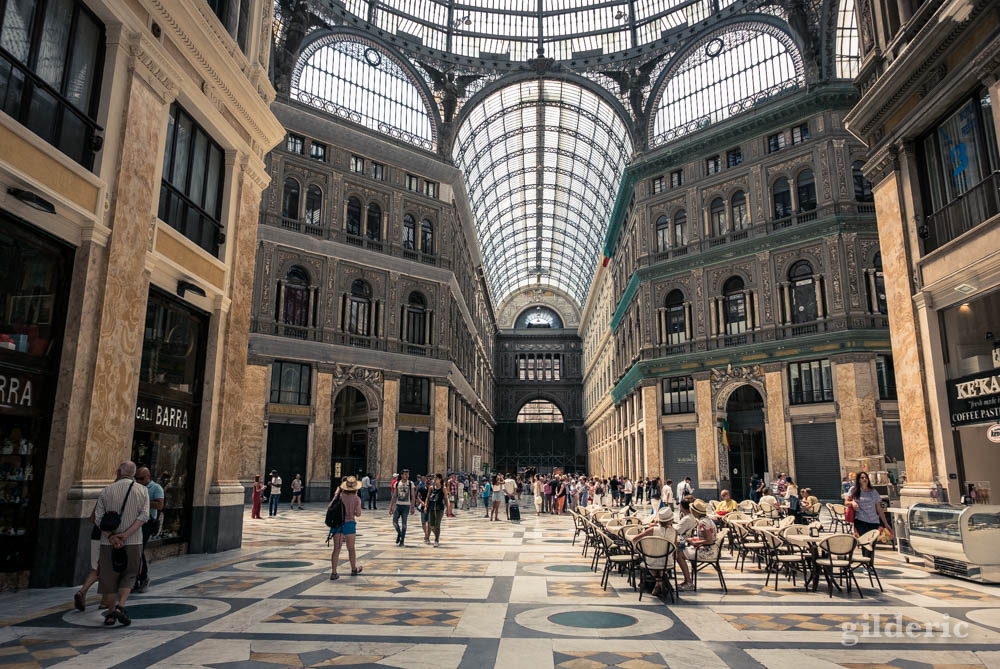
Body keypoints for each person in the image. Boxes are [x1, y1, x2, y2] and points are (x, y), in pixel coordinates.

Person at [94, 461, 150, 626]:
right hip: (133, 541)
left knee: (109, 578)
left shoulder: (107, 490)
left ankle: (110, 614)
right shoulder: (142, 490)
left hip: (108, 543)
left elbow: (97, 518)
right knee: (130, 574)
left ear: (118, 472)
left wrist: (111, 536)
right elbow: (144, 516)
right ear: (133, 473)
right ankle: (121, 606)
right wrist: (125, 535)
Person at [631, 506, 694, 594]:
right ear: (671, 520)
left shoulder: (652, 530)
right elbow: (674, 549)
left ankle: (658, 582)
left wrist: (636, 548)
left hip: (651, 561)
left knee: (651, 560)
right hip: (668, 562)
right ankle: (659, 583)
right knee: (663, 558)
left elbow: (635, 539)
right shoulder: (674, 532)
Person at [133, 466, 163, 593]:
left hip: (147, 523)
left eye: (141, 478)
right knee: (134, 549)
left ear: (148, 477)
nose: (138, 481)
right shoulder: (135, 487)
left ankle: (143, 577)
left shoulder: (156, 488)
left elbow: (160, 504)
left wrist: (144, 501)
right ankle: (133, 580)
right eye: (136, 478)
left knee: (139, 549)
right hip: (135, 522)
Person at [327, 475, 363, 580]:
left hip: (337, 524)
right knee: (351, 548)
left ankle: (334, 572)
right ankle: (353, 569)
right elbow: (358, 514)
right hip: (349, 525)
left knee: (336, 549)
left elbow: (330, 507)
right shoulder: (357, 499)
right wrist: (352, 511)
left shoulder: (339, 496)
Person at [848, 471, 889, 555]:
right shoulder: (853, 490)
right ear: (858, 480)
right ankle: (866, 562)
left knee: (872, 544)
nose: (864, 479)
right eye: (862, 478)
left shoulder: (873, 492)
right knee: (865, 542)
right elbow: (845, 502)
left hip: (873, 521)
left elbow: (879, 509)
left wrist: (885, 523)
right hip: (860, 521)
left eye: (866, 477)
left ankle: (870, 563)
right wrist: (852, 503)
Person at [390, 469, 416, 546]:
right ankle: (399, 533)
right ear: (401, 475)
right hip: (398, 505)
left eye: (407, 474)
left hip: (406, 506)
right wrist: (391, 507)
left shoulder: (411, 483)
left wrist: (412, 507)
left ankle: (402, 540)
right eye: (405, 474)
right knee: (394, 522)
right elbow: (394, 496)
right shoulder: (397, 483)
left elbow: (413, 496)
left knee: (404, 524)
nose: (406, 476)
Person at [426, 473, 452, 546]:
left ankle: (436, 540)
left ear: (440, 479)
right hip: (431, 507)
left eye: (436, 478)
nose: (434, 480)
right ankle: (437, 534)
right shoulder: (431, 487)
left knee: (437, 524)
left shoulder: (443, 488)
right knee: (431, 525)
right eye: (434, 478)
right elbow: (427, 497)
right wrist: (425, 505)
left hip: (440, 508)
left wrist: (448, 509)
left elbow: (446, 499)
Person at [417, 475, 431, 543]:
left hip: (430, 507)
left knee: (429, 522)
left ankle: (427, 536)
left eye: (430, 480)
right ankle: (426, 533)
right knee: (423, 522)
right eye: (427, 479)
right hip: (423, 507)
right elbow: (418, 496)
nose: (428, 481)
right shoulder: (421, 488)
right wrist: (421, 502)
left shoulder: (433, 489)